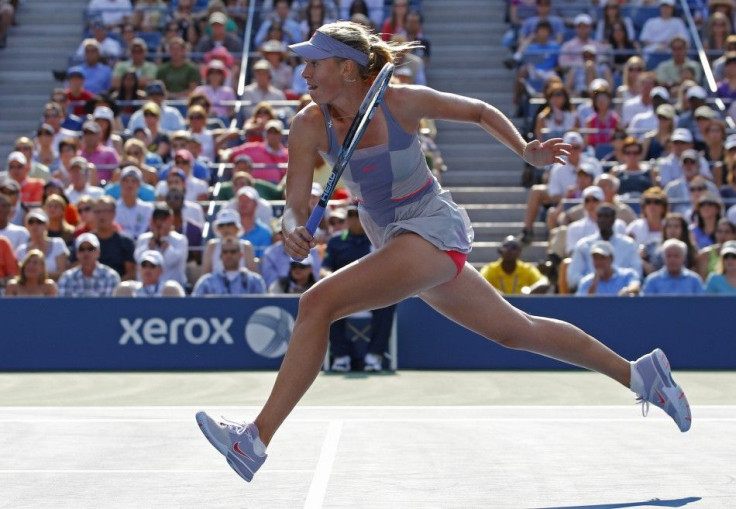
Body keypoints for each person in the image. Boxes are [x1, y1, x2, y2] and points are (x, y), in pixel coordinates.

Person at [194, 22, 692, 484]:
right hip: (392, 237)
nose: (302, 72)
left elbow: (476, 111)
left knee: (316, 304)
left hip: (430, 225)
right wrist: (290, 229)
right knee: (518, 332)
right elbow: (294, 202)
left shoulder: (403, 102)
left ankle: (254, 440)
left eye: (313, 63)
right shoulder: (307, 125)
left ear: (347, 68)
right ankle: (639, 373)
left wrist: (525, 150)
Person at [321, 204, 397, 371]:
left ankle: (374, 356)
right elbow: (325, 267)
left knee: (389, 303)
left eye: (358, 215)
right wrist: (328, 277)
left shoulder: (378, 240)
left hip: (372, 293)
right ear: (348, 219)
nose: (355, 219)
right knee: (328, 303)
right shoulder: (335, 241)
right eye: (352, 215)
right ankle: (341, 356)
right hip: (344, 293)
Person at [567, 203, 642, 290]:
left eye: (607, 216)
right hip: (591, 295)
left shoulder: (629, 244)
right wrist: (592, 283)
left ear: (614, 219)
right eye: (600, 216)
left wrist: (617, 284)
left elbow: (637, 273)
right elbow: (573, 277)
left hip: (622, 295)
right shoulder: (583, 245)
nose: (603, 220)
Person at [133, 203, 188, 287]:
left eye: (163, 219)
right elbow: (138, 259)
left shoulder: (180, 240)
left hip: (172, 290)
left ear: (171, 220)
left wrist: (163, 240)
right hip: (145, 289)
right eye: (156, 219)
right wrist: (149, 246)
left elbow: (170, 262)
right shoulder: (144, 239)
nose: (159, 223)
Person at [192, 236, 267, 296]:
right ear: (220, 256)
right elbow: (195, 305)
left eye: (233, 252)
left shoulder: (254, 281)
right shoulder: (207, 282)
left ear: (241, 255)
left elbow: (262, 304)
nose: (229, 255)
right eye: (225, 252)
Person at [57, 232, 121, 297]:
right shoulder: (67, 278)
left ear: (98, 252)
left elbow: (114, 305)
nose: (86, 252)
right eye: (81, 249)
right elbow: (63, 305)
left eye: (91, 248)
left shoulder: (111, 277)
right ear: (77, 254)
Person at [480, 235, 548, 294]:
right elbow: (480, 284)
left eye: (514, 247)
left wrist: (529, 291)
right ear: (500, 250)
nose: (509, 250)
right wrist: (497, 294)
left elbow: (544, 282)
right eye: (506, 246)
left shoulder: (527, 269)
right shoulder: (490, 269)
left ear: (519, 253)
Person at [201, 208, 259, 275]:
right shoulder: (211, 246)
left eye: (229, 224)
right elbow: (205, 274)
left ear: (237, 227)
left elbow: (253, 275)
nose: (225, 228)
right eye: (221, 225)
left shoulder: (246, 246)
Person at [15, 208, 69, 281]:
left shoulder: (58, 244)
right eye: (31, 222)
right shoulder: (21, 250)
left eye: (39, 222)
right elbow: (19, 275)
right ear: (27, 226)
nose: (35, 225)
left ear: (46, 225)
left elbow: (62, 273)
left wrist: (35, 275)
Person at [575, 240, 641, 296]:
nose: (599, 262)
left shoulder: (628, 275)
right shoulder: (586, 282)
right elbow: (583, 305)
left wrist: (627, 291)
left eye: (602, 258)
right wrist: (594, 283)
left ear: (611, 259)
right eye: (595, 258)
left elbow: (635, 286)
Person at [113, 249, 186, 296]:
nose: (147, 269)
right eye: (144, 266)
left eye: (152, 266)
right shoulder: (130, 290)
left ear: (161, 270)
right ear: (139, 269)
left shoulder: (170, 290)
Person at [114, 166, 154, 240]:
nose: (130, 184)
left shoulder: (148, 208)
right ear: (120, 183)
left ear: (139, 184)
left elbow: (144, 232)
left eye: (134, 181)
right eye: (126, 180)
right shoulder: (113, 207)